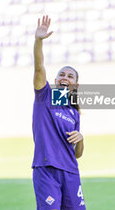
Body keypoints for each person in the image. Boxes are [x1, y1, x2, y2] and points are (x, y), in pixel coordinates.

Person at [32, 15, 85, 210]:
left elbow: (77, 154)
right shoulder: (44, 96)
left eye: (70, 76)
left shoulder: (74, 112)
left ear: (76, 84)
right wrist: (38, 41)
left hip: (71, 171)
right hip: (46, 170)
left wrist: (81, 138)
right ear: (55, 80)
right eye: (62, 74)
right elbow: (39, 68)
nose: (65, 78)